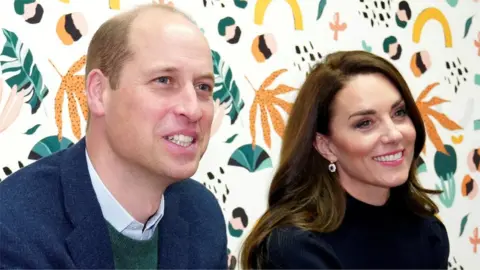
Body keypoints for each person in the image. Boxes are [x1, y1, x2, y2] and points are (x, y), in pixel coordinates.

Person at [0, 4, 227, 269]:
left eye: (203, 87)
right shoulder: (14, 227)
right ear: (99, 92)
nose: (192, 109)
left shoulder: (202, 216)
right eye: (164, 80)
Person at [239, 50, 450, 269]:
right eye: (365, 123)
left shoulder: (428, 232)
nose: (394, 134)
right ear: (326, 146)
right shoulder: (295, 247)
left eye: (399, 113)